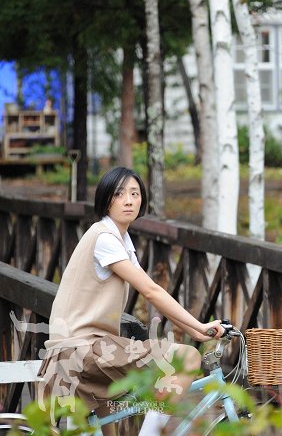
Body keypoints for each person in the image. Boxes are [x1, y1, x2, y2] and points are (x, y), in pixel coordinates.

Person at [38, 166, 225, 436]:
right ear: (105, 200)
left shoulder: (120, 240)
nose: (128, 200)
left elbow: (153, 293)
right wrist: (199, 325)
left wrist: (197, 330)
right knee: (186, 357)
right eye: (119, 194)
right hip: (82, 350)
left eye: (135, 193)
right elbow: (151, 291)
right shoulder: (105, 238)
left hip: (86, 350)